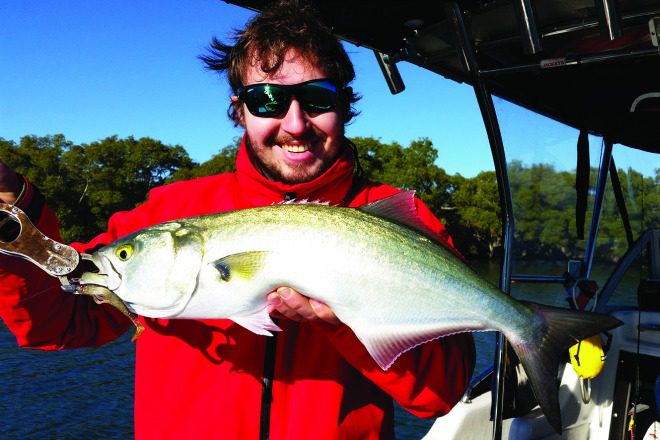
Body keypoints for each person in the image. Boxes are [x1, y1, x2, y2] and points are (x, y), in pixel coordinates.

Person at [0, 1, 475, 439]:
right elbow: (55, 323)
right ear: (239, 108)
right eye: (267, 100)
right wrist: (14, 214)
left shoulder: (396, 218)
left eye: (317, 97)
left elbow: (439, 393)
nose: (294, 123)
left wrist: (343, 324)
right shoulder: (164, 216)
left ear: (344, 105)